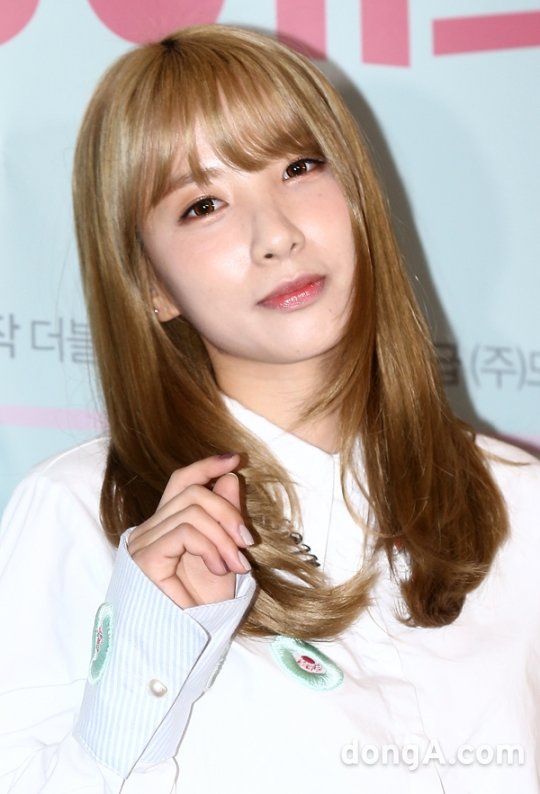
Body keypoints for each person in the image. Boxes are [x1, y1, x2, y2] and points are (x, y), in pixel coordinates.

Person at [0, 24, 539, 794]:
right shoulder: (79, 516)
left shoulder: (516, 499)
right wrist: (147, 651)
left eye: (298, 167)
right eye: (204, 205)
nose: (277, 236)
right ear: (150, 285)